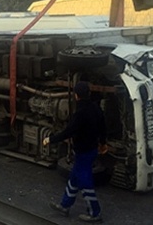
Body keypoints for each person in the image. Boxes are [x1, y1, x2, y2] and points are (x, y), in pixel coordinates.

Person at [43, 81, 107, 223]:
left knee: (84, 183)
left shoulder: (80, 114)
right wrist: (103, 143)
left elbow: (68, 132)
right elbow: (103, 126)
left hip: (83, 151)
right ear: (88, 94)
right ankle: (65, 205)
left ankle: (95, 212)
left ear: (76, 96)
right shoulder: (96, 108)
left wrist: (50, 139)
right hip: (92, 149)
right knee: (74, 178)